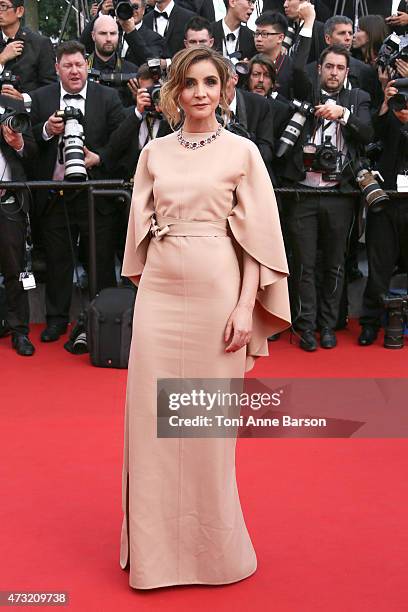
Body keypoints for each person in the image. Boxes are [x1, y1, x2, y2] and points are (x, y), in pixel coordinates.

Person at [119, 45, 290, 589]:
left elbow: (256, 243)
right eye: (190, 83)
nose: (200, 93)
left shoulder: (242, 153)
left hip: (220, 293)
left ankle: (213, 553)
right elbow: (138, 234)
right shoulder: (155, 153)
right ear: (176, 88)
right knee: (152, 428)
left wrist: (244, 306)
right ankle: (155, 556)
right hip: (161, 298)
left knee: (208, 430)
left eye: (210, 83)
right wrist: (161, 276)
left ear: (225, 89)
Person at [29, 41, 126, 344]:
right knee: (58, 260)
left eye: (79, 64)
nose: (74, 70)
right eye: (67, 65)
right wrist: (46, 129)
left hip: (95, 192)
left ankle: (106, 318)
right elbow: (23, 141)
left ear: (87, 66)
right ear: (56, 68)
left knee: (100, 259)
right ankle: (57, 321)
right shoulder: (41, 98)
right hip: (54, 193)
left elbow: (122, 141)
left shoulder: (108, 97)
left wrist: (99, 158)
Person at [279, 45, 373, 351]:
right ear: (319, 68)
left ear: (347, 72)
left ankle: (328, 326)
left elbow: (368, 134)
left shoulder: (357, 99)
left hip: (340, 194)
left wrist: (343, 115)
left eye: (339, 68)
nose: (333, 72)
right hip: (302, 192)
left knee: (334, 264)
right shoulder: (304, 95)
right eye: (328, 66)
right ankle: (305, 326)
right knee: (304, 264)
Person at [358, 78, 408, 346]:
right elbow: (370, 137)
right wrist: (386, 106)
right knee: (378, 267)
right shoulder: (388, 108)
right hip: (386, 200)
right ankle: (370, 323)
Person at [0, 94, 37, 356]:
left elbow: (33, 153)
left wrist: (19, 142)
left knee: (16, 267)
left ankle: (19, 331)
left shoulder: (11, 104)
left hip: (9, 201)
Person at [0, 0, 56, 98]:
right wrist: (1, 59)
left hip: (28, 111)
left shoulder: (40, 44)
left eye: (3, 6)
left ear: (19, 11)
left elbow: (50, 88)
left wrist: (24, 98)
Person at [253, 10, 313, 100]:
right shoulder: (250, 62)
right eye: (257, 34)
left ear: (280, 38)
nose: (258, 39)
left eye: (264, 34)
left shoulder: (290, 68)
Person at [88, 14, 139, 107]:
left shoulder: (132, 71)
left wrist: (137, 100)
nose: (108, 39)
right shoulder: (81, 70)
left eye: (113, 33)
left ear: (118, 35)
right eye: (103, 33)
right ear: (93, 36)